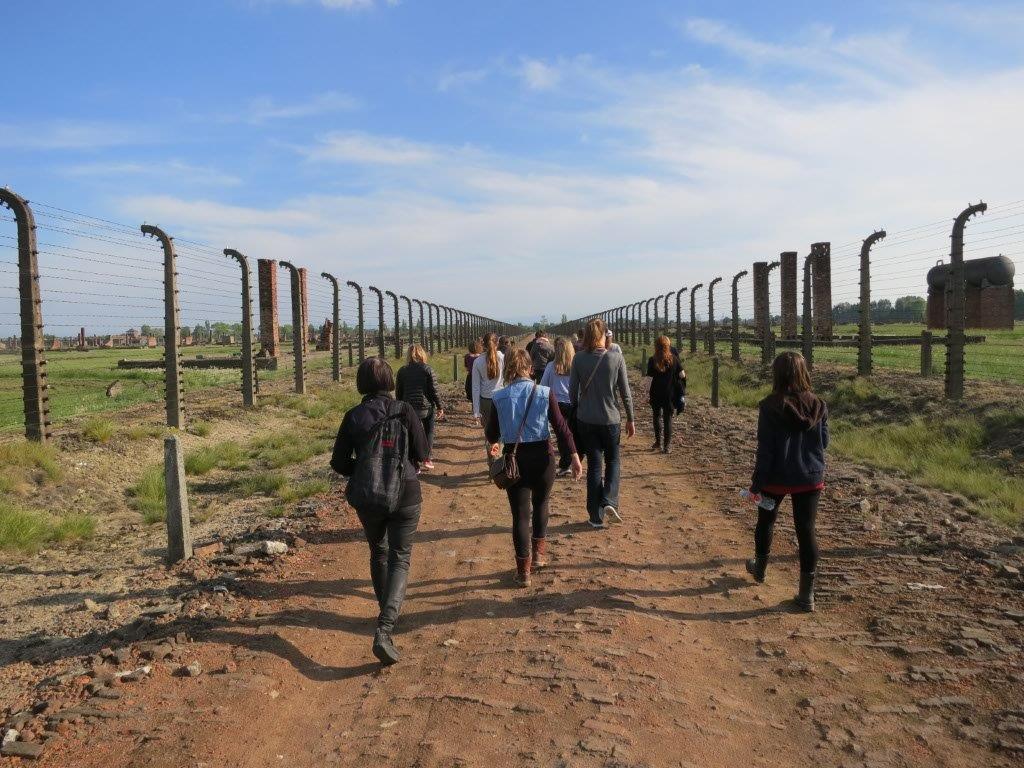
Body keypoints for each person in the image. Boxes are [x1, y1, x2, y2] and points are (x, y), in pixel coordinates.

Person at [330, 357, 428, 665]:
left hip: (370, 496)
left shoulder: (353, 416)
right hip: (406, 491)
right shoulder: (405, 411)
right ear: (389, 382)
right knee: (401, 556)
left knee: (379, 552)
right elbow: (423, 453)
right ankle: (385, 628)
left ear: (361, 383)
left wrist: (363, 470)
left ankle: (384, 612)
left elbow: (338, 462)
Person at [485, 349, 582, 586]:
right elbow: (561, 427)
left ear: (508, 369)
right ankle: (539, 555)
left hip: (514, 460)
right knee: (541, 504)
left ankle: (523, 572)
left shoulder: (499, 397)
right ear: (530, 369)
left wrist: (495, 444)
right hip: (542, 458)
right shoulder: (544, 393)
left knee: (519, 516)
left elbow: (491, 433)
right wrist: (574, 455)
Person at [746, 351, 829, 612]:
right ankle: (806, 595)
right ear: (804, 373)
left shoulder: (770, 406)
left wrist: (756, 483)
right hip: (809, 477)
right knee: (806, 531)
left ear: (777, 375)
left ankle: (759, 569)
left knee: (766, 521)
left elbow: (766, 449)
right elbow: (823, 443)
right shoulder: (819, 405)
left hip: (775, 479)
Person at [569, 318, 635, 529]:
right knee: (613, 461)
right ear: (603, 334)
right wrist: (631, 418)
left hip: (586, 420)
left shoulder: (578, 359)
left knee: (595, 466)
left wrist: (581, 408)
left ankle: (595, 516)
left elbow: (572, 394)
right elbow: (625, 393)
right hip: (611, 419)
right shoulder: (616, 357)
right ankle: (609, 500)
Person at [396, 344, 444, 472]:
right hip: (426, 408)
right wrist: (440, 406)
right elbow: (434, 391)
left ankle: (414, 463)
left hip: (408, 409)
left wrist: (399, 408)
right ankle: (427, 458)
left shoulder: (402, 371)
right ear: (422, 354)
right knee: (429, 431)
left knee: (411, 435)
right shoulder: (427, 369)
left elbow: (399, 392)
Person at [539, 336, 575, 476]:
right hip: (573, 404)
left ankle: (565, 464)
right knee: (571, 433)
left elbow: (543, 386)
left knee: (562, 435)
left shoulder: (551, 366)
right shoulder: (575, 365)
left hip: (556, 405)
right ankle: (571, 461)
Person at [472, 332, 505, 465]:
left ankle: (492, 462)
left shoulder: (477, 361)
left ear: (483, 345)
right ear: (497, 343)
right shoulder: (502, 358)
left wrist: (476, 411)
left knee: (489, 433)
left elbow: (475, 387)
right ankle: (499, 460)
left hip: (485, 402)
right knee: (502, 432)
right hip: (502, 398)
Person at [645, 335, 681, 454]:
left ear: (656, 346)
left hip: (655, 393)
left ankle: (657, 442)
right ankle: (667, 446)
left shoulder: (652, 360)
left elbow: (649, 379)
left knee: (656, 416)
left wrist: (646, 394)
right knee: (668, 419)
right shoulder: (674, 359)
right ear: (668, 346)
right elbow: (682, 374)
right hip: (669, 394)